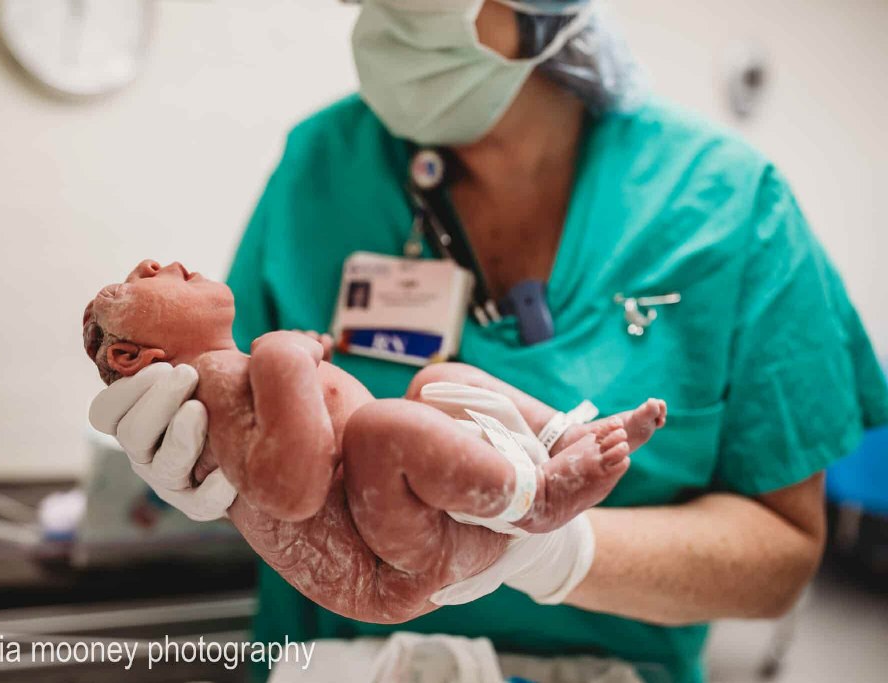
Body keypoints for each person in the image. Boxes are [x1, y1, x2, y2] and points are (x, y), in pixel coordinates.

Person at [88, 1, 888, 681]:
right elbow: (282, 476)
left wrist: (548, 550)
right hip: (342, 662)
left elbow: (779, 554)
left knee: (427, 402)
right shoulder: (322, 168)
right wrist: (205, 465)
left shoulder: (730, 208)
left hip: (598, 667)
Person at [82, 259, 664, 622]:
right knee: (383, 428)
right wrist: (286, 357)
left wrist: (291, 359)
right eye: (136, 278)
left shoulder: (234, 370)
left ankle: (562, 439)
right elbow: (295, 492)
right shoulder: (216, 382)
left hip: (421, 526)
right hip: (392, 561)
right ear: (130, 357)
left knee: (439, 383)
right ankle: (536, 499)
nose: (159, 262)